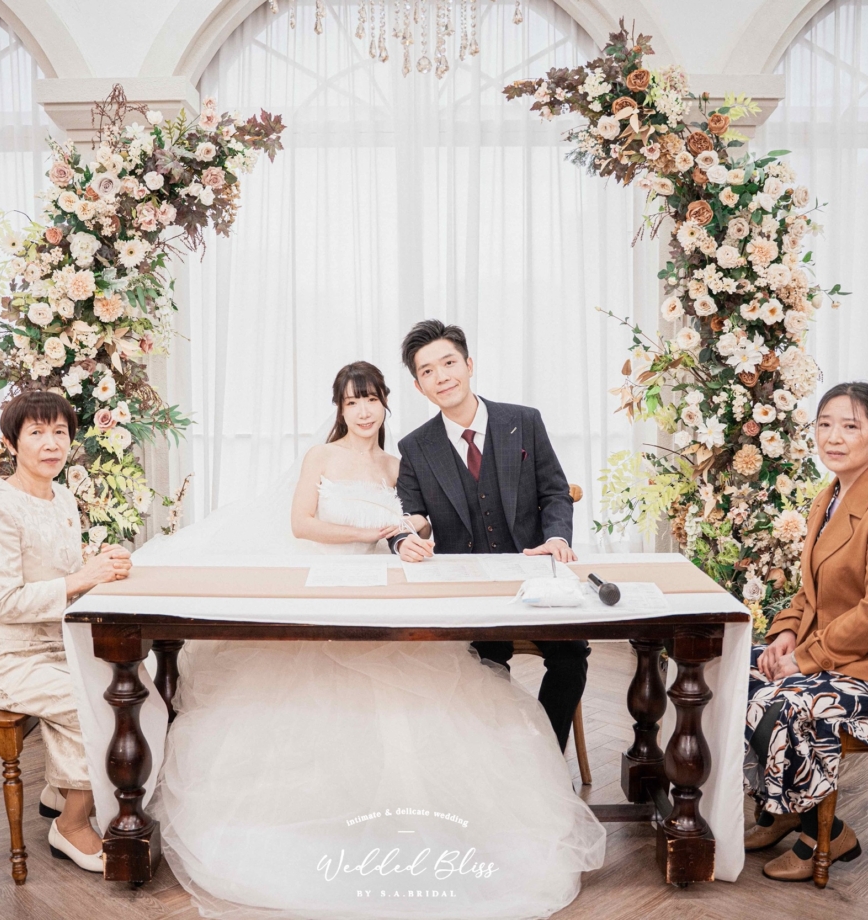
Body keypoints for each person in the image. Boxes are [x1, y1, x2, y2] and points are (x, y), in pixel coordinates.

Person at [148, 361, 605, 919]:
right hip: (327, 584)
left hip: (385, 588)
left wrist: (416, 533)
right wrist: (373, 532)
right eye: (351, 401)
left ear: (387, 402)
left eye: (370, 400)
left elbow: (422, 518)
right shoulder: (321, 457)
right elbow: (302, 524)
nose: (363, 411)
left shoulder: (399, 464)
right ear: (339, 409)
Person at [390, 319, 588, 753]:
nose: (441, 376)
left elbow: (555, 492)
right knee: (482, 664)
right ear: (419, 386)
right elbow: (407, 515)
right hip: (469, 590)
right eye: (427, 371)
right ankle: (499, 760)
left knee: (572, 656)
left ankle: (545, 758)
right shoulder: (415, 447)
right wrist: (405, 539)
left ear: (469, 364)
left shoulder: (524, 421)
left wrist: (557, 539)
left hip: (534, 577)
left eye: (449, 363)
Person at [0, 390, 132, 873]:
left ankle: (62, 790)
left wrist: (102, 567)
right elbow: (3, 602)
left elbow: (62, 573)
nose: (51, 443)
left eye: (60, 432)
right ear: (11, 444)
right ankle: (71, 824)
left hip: (58, 646)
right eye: (36, 433)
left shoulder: (62, 498)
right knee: (99, 703)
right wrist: (82, 579)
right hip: (7, 659)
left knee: (132, 685)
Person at [743, 381, 868, 882]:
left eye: (850, 426)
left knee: (785, 703)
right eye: (825, 424)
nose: (833, 437)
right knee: (731, 672)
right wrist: (785, 636)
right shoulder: (829, 495)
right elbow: (809, 592)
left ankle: (826, 834)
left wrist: (804, 660)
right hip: (824, 652)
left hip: (858, 664)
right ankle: (783, 809)